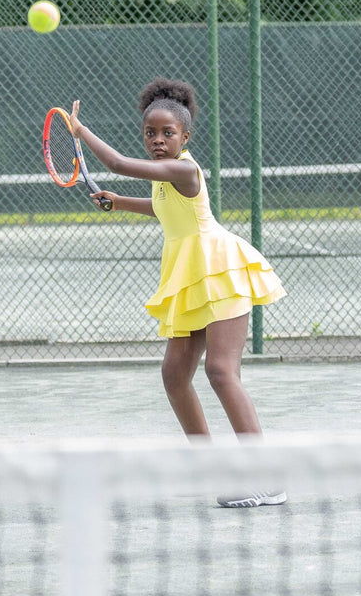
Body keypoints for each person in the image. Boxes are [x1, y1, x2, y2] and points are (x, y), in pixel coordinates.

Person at [70, 79, 287, 507]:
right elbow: (163, 206)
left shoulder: (185, 168)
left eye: (167, 133)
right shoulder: (166, 175)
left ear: (185, 137)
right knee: (174, 375)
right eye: (150, 133)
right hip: (189, 276)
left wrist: (81, 132)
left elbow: (114, 162)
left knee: (221, 371)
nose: (157, 140)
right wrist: (120, 202)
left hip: (220, 270)